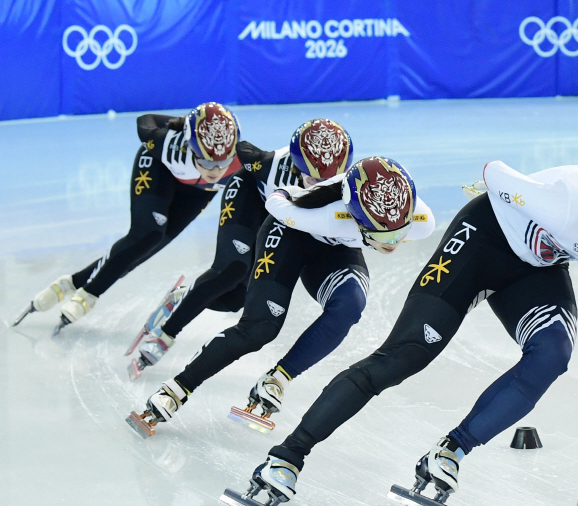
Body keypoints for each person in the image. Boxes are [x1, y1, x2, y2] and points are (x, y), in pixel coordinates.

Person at [231, 163, 578, 506]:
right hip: (482, 240)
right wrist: (505, 192)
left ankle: (450, 452)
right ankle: (287, 456)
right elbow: (497, 174)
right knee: (403, 359)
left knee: (553, 354)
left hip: (537, 267)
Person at [129, 156, 435, 437]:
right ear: (356, 219)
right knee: (260, 327)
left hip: (338, 247)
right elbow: (279, 203)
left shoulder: (421, 221)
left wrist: (387, 230)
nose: (393, 243)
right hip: (291, 232)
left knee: (350, 305)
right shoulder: (327, 216)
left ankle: (277, 378)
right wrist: (285, 194)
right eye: (383, 236)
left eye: (399, 233)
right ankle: (177, 388)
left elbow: (394, 226)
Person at [128, 118, 355, 379]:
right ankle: (165, 334)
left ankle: (183, 297)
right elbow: (235, 148)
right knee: (233, 268)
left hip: (279, 220)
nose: (320, 187)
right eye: (312, 178)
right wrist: (183, 126)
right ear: (295, 164)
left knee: (236, 299)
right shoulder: (267, 164)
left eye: (329, 179)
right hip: (248, 197)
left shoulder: (346, 186)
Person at [13, 103, 245, 334]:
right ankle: (89, 293)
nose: (215, 170)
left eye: (223, 162)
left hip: (198, 192)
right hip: (159, 169)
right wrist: (186, 124)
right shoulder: (165, 144)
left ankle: (71, 283)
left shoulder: (242, 164)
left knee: (147, 249)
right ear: (189, 144)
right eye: (206, 161)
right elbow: (145, 120)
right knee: (147, 235)